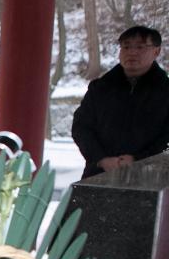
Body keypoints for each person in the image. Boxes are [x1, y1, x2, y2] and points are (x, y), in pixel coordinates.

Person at [72, 25, 169, 178]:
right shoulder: (101, 87)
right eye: (126, 47)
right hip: (99, 175)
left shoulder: (165, 91)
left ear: (156, 51)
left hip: (151, 178)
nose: (132, 52)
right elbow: (81, 126)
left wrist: (139, 160)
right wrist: (101, 159)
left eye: (140, 47)